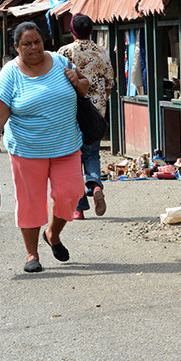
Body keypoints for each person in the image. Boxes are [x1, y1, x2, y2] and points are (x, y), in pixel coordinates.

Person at [0, 22, 89, 273]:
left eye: (37, 41)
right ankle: (31, 254)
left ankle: (52, 233)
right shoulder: (9, 73)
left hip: (67, 145)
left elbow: (84, 90)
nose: (33, 47)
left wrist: (76, 80)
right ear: (16, 47)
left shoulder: (61, 61)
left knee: (71, 193)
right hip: (27, 150)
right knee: (30, 201)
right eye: (26, 44)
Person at [58, 14, 115, 220]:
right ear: (91, 30)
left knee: (73, 160)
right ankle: (95, 184)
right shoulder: (101, 52)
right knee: (92, 154)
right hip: (95, 114)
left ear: (72, 31)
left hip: (70, 113)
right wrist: (98, 104)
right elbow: (109, 84)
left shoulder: (65, 52)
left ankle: (79, 208)